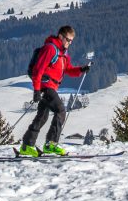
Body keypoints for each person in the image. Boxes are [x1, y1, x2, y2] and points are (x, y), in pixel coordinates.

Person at [19, 25, 91, 156]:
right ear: (61, 36)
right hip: (46, 86)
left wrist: (81, 70)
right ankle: (51, 144)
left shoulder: (63, 53)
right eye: (68, 40)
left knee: (42, 116)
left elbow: (68, 69)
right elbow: (38, 71)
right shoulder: (50, 48)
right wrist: (36, 90)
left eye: (71, 41)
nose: (70, 43)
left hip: (51, 86)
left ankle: (26, 146)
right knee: (61, 110)